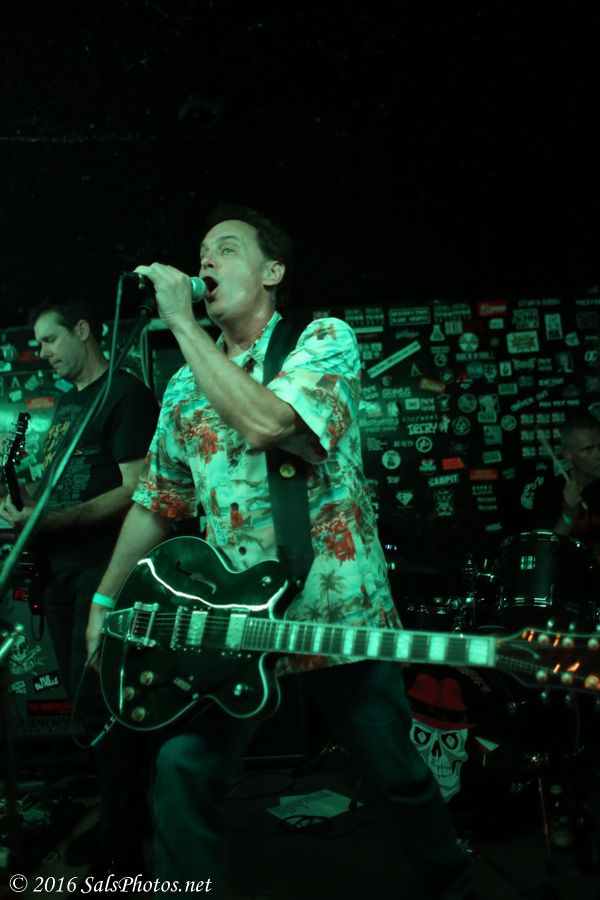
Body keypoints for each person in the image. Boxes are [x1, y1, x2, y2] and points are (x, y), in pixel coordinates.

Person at [86, 205, 472, 899]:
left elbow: (270, 423)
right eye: (201, 252)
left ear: (272, 272)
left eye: (227, 249)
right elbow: (158, 502)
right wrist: (103, 597)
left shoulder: (321, 340)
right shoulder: (183, 385)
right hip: (231, 626)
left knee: (393, 773)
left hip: (334, 613)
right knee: (182, 769)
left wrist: (181, 323)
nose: (205, 262)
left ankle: (451, 883)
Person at [0, 298, 159, 873]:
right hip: (61, 570)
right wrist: (23, 506)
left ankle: (124, 844)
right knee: (89, 705)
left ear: (84, 330)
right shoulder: (68, 405)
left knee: (102, 701)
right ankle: (126, 820)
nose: (42, 353)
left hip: (105, 567)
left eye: (49, 339)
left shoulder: (126, 395)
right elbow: (57, 487)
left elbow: (137, 487)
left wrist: (55, 520)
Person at [532, 413, 600, 550]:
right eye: (588, 449)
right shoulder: (549, 492)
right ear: (568, 454)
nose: (598, 454)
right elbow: (546, 552)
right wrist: (568, 514)